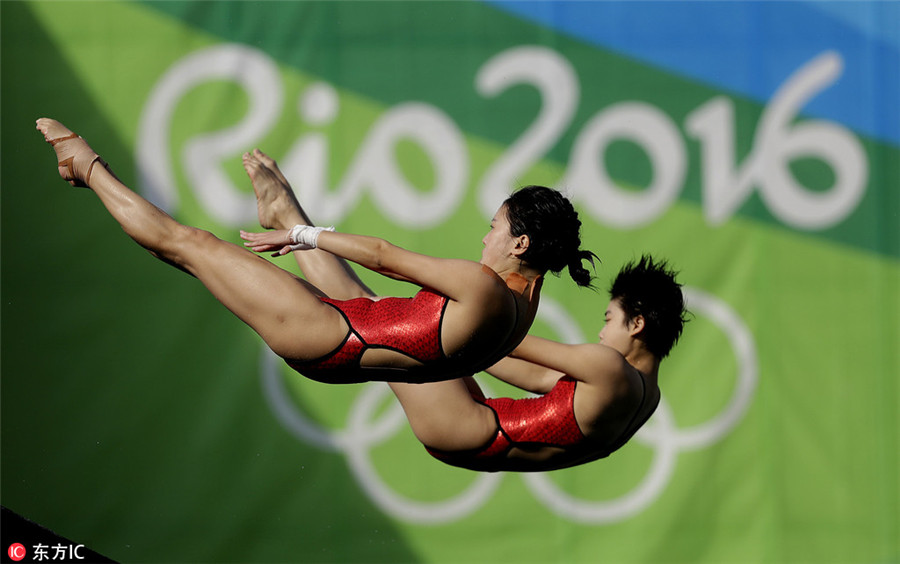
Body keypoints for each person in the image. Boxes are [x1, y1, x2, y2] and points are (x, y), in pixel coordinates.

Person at [35, 118, 594, 392]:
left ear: (520, 242)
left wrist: (303, 239)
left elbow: (383, 253)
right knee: (375, 307)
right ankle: (283, 211)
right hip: (342, 347)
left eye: (493, 228)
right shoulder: (526, 305)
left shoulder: (483, 286)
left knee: (193, 245)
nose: (484, 238)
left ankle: (84, 166)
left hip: (328, 334)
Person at [244, 151, 689, 472]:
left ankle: (289, 219)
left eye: (609, 320)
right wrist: (460, 335)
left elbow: (505, 343)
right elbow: (522, 370)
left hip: (464, 426)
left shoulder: (606, 367)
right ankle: (288, 216)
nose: (601, 331)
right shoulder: (646, 397)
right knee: (377, 313)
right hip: (473, 437)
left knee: (372, 313)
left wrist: (463, 320)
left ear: (637, 324)